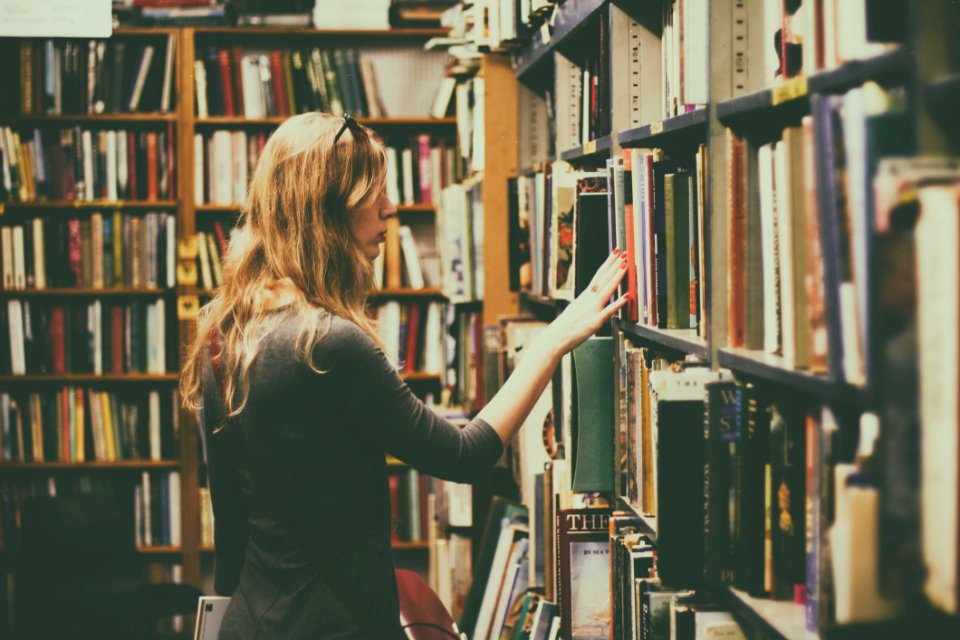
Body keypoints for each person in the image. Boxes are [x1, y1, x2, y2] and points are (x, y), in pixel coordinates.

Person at [180, 112, 630, 639]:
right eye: (375, 192)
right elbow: (463, 455)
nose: (390, 209)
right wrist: (552, 341)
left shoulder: (225, 338)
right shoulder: (328, 343)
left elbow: (231, 536)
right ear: (327, 209)